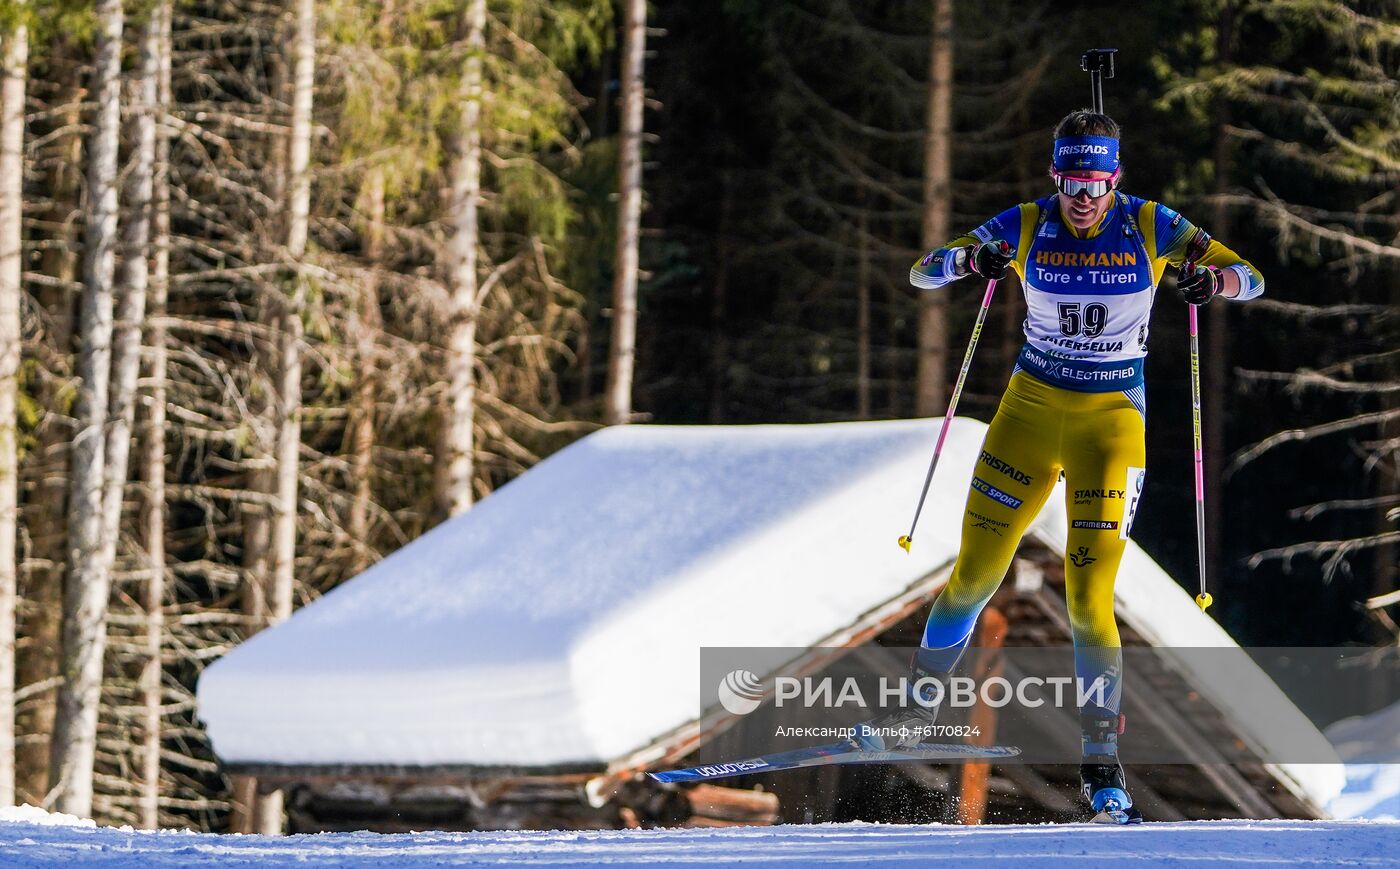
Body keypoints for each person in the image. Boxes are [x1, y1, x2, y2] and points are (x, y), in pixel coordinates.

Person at [857, 110, 1264, 821]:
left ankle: (1103, 765)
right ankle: (913, 713)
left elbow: (1249, 275)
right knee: (974, 574)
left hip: (1110, 423)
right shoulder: (1023, 223)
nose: (1083, 196)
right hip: (1030, 412)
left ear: (1115, 177)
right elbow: (923, 271)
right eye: (1071, 179)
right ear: (1056, 175)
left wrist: (1215, 286)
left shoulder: (1151, 224)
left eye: (1096, 180)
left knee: (1087, 596)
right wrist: (969, 259)